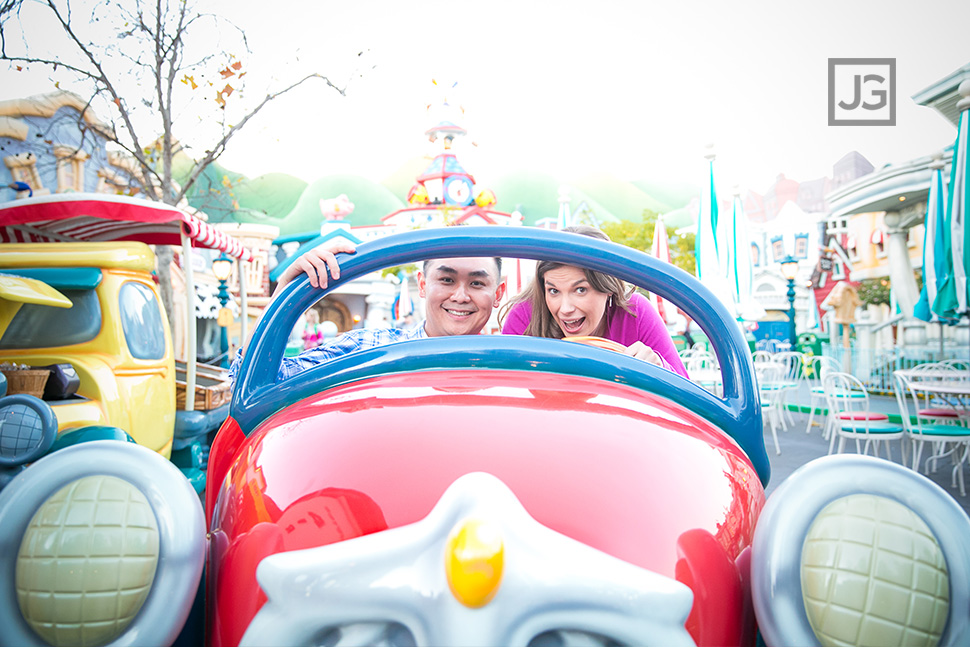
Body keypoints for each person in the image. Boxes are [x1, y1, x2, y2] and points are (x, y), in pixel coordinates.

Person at [228, 239, 506, 385]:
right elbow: (247, 379)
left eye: (477, 283)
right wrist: (285, 290)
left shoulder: (514, 365)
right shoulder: (367, 348)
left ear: (498, 294)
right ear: (422, 285)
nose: (460, 296)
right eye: (446, 280)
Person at [500, 225, 688, 378]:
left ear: (608, 289)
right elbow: (503, 388)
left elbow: (687, 394)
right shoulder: (526, 314)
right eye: (554, 291)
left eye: (580, 290)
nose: (565, 308)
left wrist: (659, 367)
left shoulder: (635, 312)